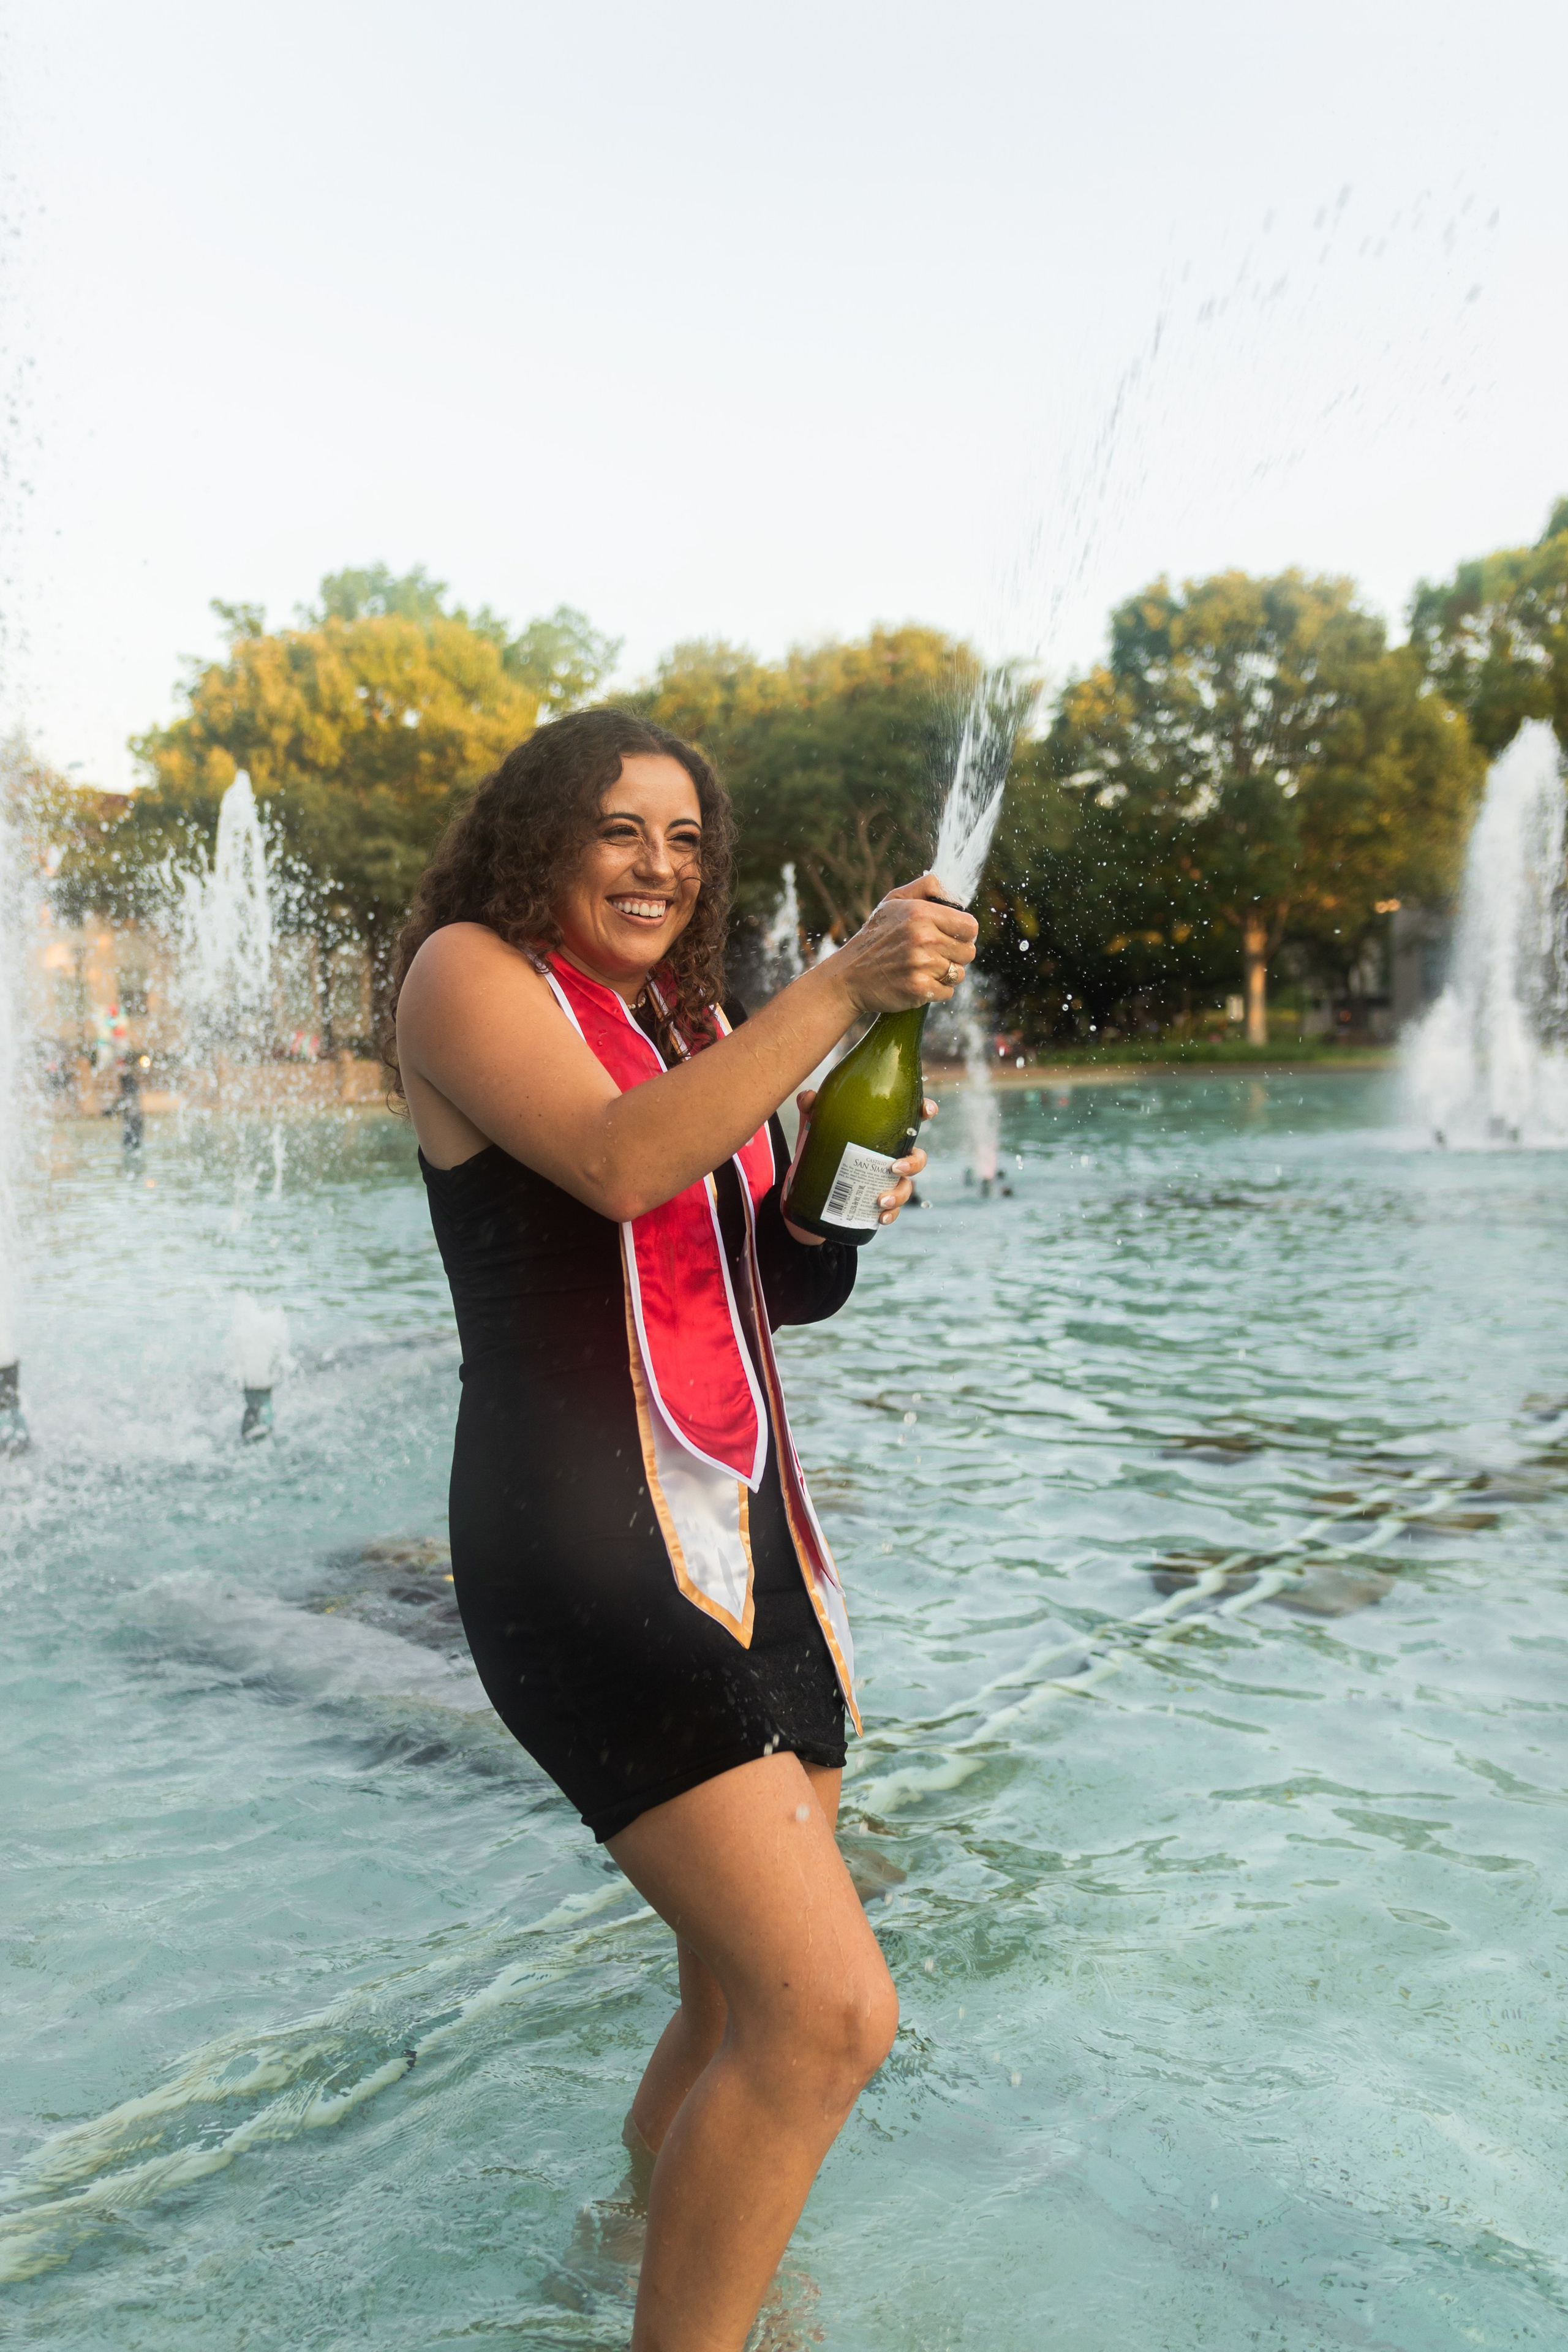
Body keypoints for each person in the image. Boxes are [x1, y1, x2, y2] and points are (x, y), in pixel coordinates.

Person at [387, 707, 976, 2352]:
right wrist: (846, 987)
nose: (662, 866)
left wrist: (844, 1197)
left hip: (752, 1539)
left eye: (688, 840)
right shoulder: (466, 975)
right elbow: (616, 1162)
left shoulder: (682, 1020)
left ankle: (648, 2266)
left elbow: (763, 1284)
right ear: (541, 840)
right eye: (620, 830)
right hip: (580, 1549)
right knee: (828, 2015)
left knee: (735, 2000)